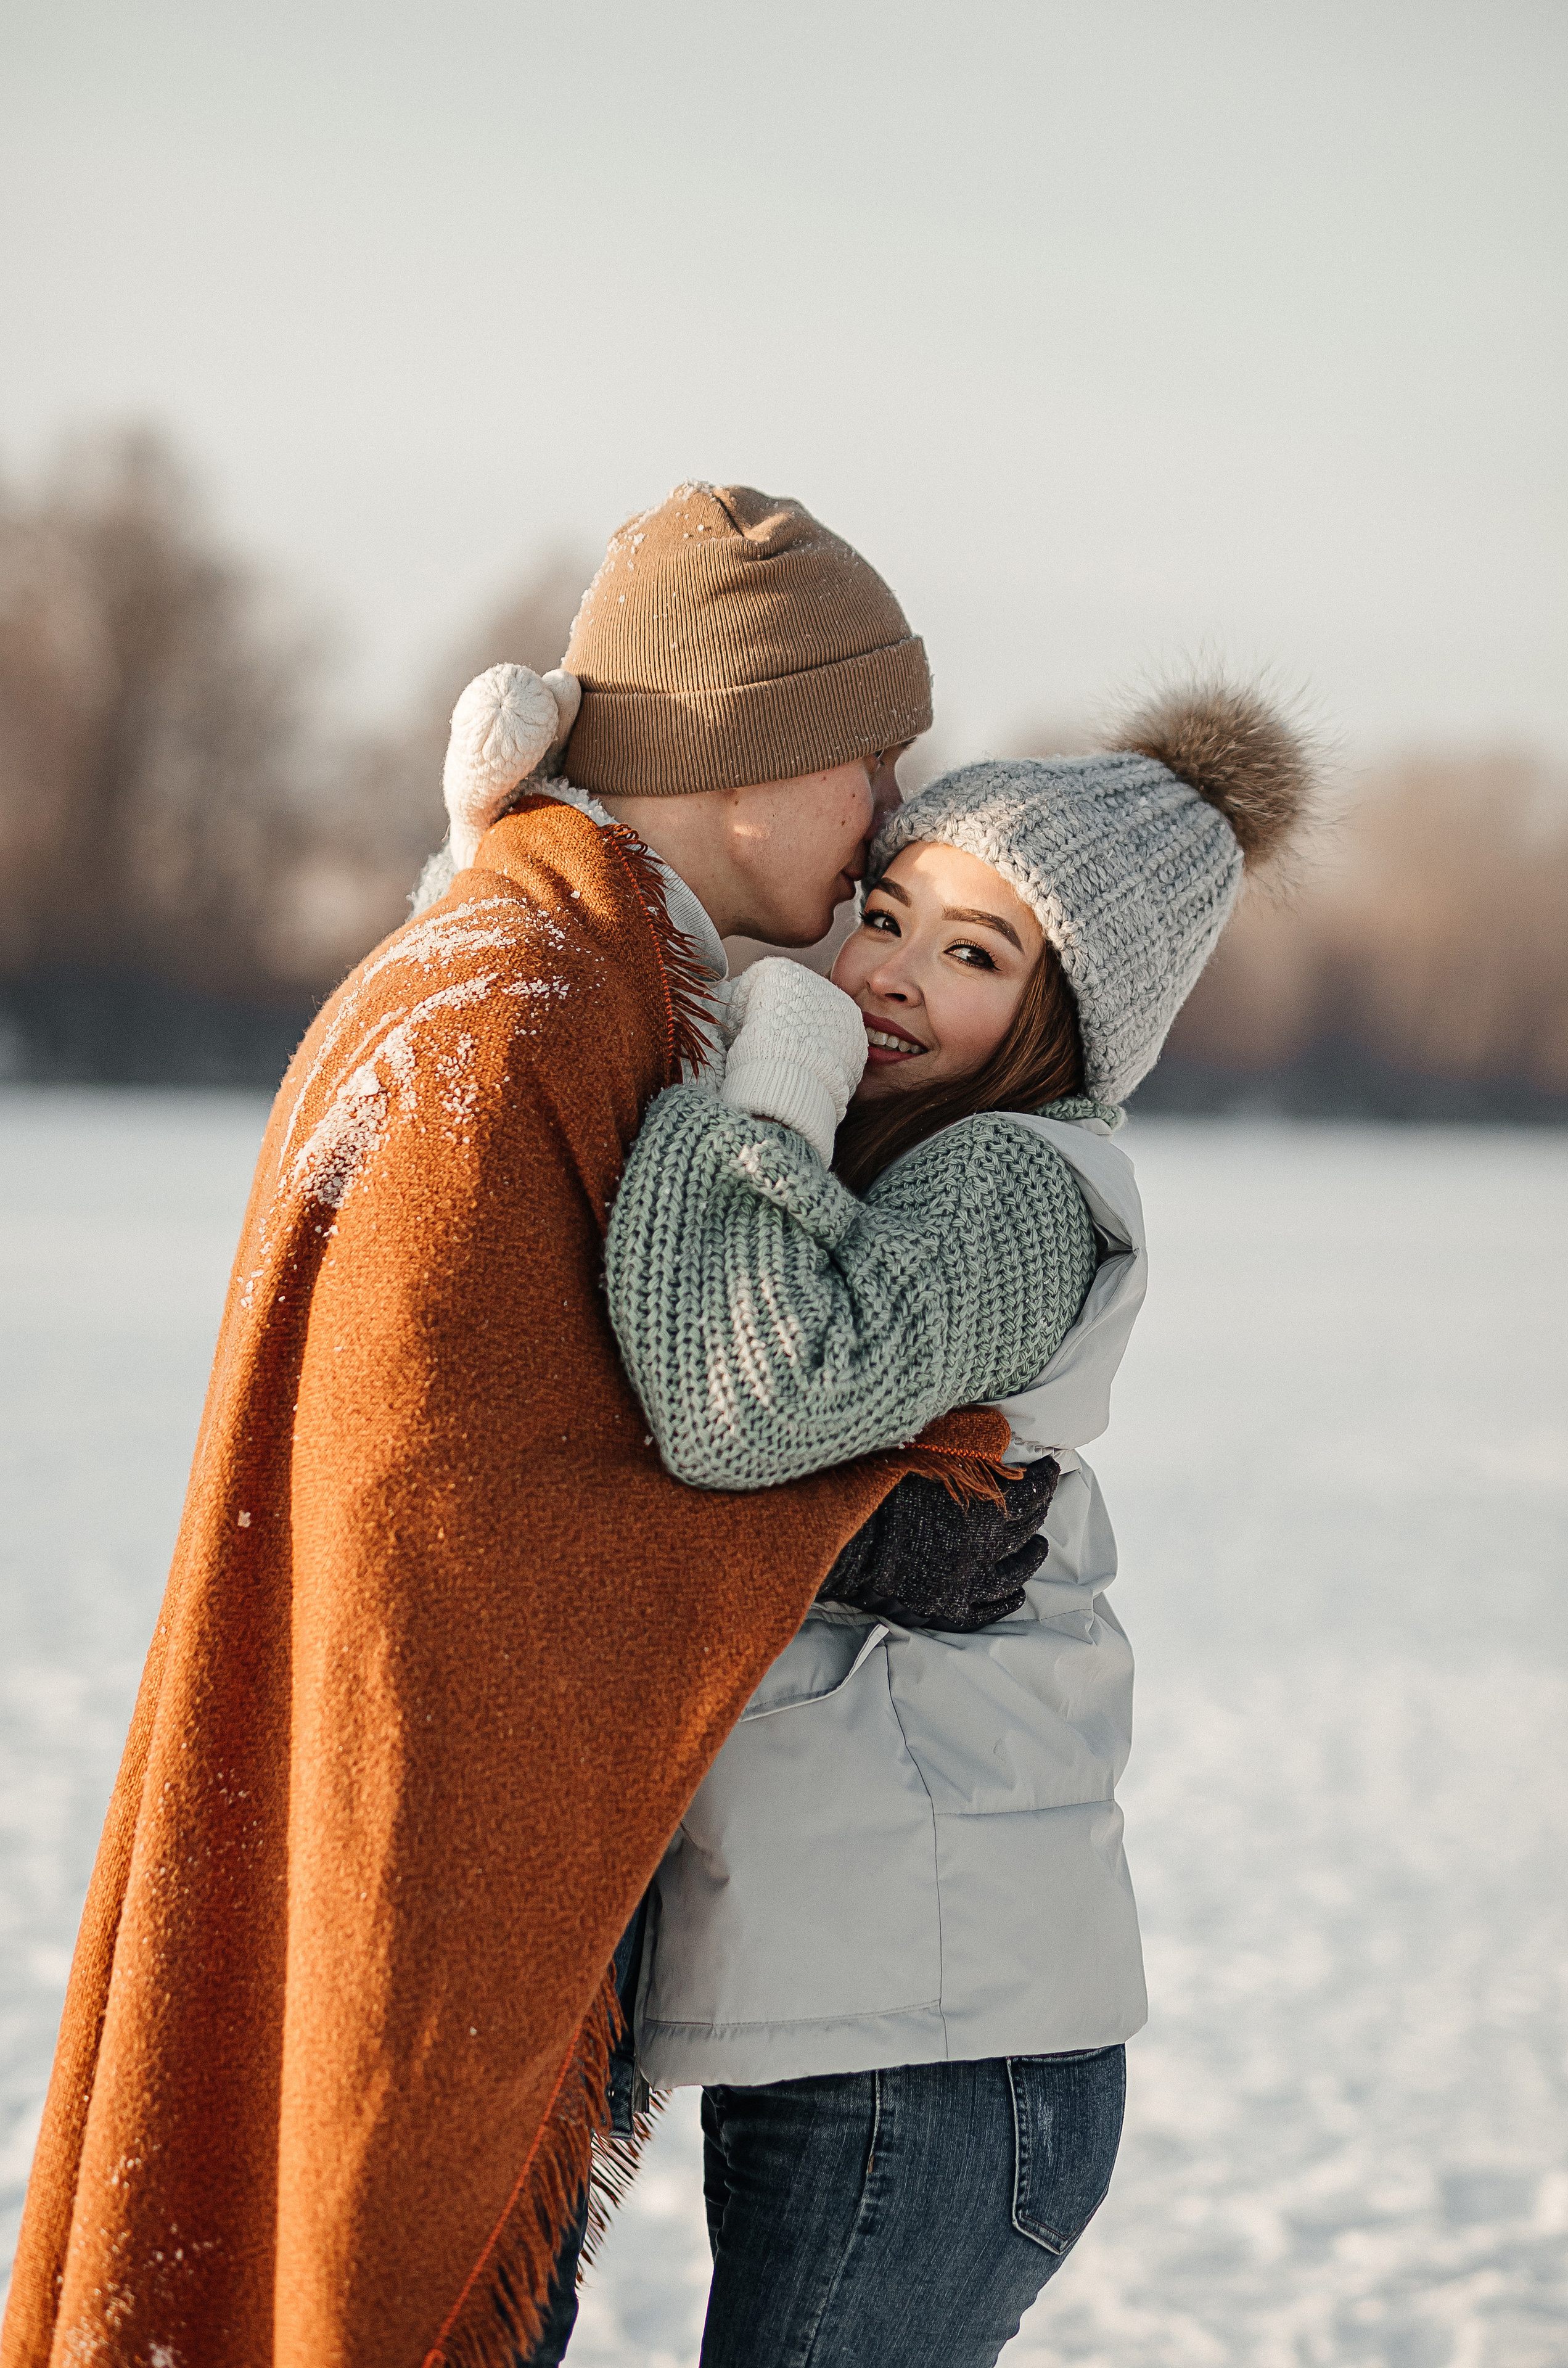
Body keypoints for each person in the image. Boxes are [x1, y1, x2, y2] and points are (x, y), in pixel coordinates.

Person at [2, 485, 1043, 2368]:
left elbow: (512, 1450)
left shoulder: (543, 971)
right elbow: (444, 1522)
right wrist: (876, 1499)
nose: (896, 811)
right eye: (869, 758)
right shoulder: (520, 1009)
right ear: (752, 751)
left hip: (432, 1843)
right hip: (411, 1862)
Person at [586, 679, 1315, 2366]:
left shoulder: (1009, 1184)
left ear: (1068, 1016)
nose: (893, 975)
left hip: (937, 2055)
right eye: (890, 914)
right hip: (877, 2026)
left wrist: (769, 1063)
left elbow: (737, 1400)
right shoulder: (893, 1167)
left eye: (975, 955)